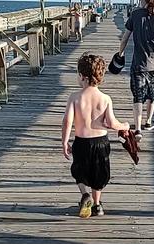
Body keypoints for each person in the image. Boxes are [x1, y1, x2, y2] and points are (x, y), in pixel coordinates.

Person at [62, 54, 130, 218]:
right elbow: (112, 123)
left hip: (81, 142)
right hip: (100, 142)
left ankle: (85, 194)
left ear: (81, 77)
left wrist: (65, 142)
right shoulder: (105, 99)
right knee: (99, 173)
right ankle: (97, 205)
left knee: (79, 171)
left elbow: (67, 121)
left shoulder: (75, 98)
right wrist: (125, 126)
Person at [117, 0, 154, 139]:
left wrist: (120, 53)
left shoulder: (135, 15)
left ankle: (137, 129)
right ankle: (148, 122)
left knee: (138, 96)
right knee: (152, 94)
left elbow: (124, 38)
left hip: (138, 63)